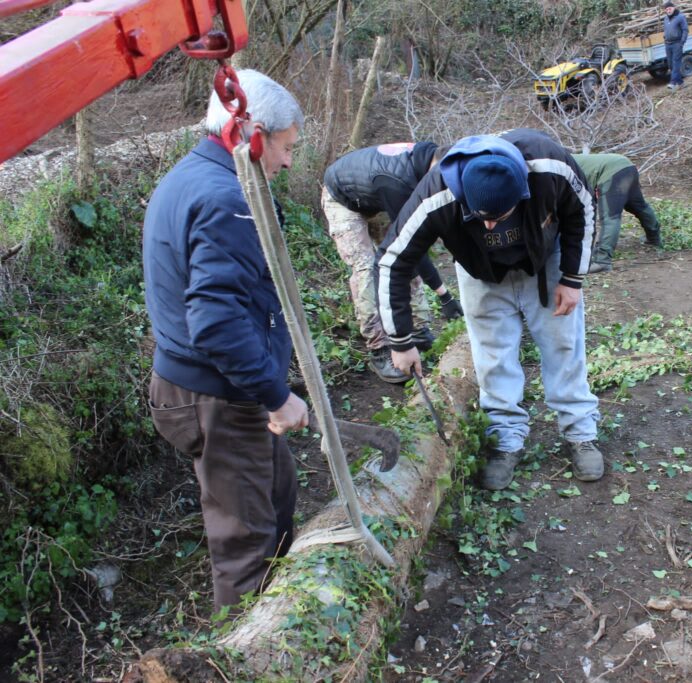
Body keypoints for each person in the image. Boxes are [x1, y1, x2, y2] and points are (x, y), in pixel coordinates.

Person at [142, 70, 308, 615]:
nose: (287, 163)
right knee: (247, 542)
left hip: (212, 389)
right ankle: (247, 652)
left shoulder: (195, 176)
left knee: (278, 490)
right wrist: (274, 394)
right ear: (252, 135)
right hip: (218, 397)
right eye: (285, 148)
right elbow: (215, 321)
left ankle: (286, 613)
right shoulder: (226, 199)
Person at [377, 129, 603, 491]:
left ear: (524, 191)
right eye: (480, 217)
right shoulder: (438, 194)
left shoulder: (548, 167)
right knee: (493, 354)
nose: (489, 226)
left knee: (563, 344)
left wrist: (573, 279)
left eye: (499, 217)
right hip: (478, 270)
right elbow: (393, 261)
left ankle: (580, 432)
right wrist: (400, 340)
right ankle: (505, 439)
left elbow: (583, 211)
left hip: (545, 260)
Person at [322, 142, 463, 384]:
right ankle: (379, 348)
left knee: (405, 265)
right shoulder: (398, 181)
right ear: (437, 167)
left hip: (374, 199)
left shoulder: (428, 162)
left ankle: (417, 330)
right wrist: (444, 295)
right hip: (344, 201)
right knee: (367, 268)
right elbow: (412, 252)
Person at [571, 153, 662, 273]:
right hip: (626, 165)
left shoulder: (556, 166)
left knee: (610, 216)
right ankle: (654, 238)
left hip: (611, 172)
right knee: (638, 206)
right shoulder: (560, 158)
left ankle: (602, 261)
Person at [662, 1, 689, 92]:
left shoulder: (680, 17)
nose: (668, 10)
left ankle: (673, 82)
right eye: (666, 9)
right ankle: (681, 83)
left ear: (673, 8)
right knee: (670, 64)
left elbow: (685, 30)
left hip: (677, 43)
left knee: (676, 62)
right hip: (668, 44)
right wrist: (665, 37)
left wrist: (682, 42)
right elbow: (665, 30)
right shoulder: (665, 19)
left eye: (670, 8)